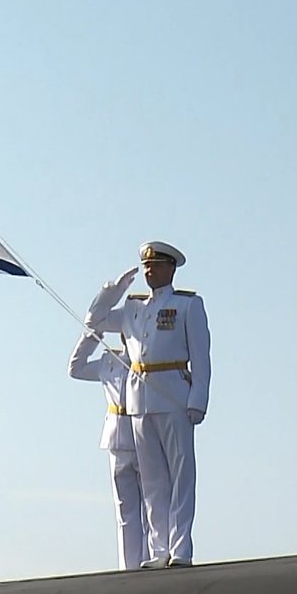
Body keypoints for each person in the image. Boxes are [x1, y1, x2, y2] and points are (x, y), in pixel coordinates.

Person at [86, 241, 211, 568]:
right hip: (139, 398)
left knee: (181, 473)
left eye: (155, 265)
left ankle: (180, 547)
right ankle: (159, 549)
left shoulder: (187, 306)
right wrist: (113, 290)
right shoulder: (133, 307)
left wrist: (199, 398)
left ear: (171, 268)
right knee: (153, 479)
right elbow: (94, 321)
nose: (148, 271)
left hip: (173, 393)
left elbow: (201, 357)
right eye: (145, 266)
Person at [66, 323, 147, 571]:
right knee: (125, 510)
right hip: (116, 439)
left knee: (150, 507)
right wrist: (93, 334)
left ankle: (150, 561)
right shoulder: (108, 362)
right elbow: (75, 368)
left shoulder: (149, 362)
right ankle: (128, 566)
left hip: (144, 437)